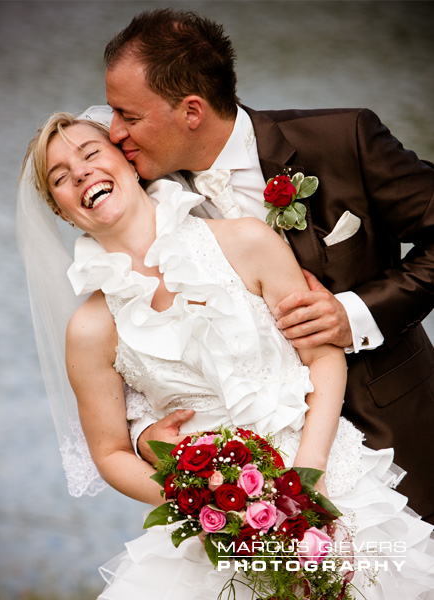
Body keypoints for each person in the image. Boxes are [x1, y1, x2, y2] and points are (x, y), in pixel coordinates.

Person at [18, 112, 434, 598]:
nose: (82, 173)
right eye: (61, 178)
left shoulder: (246, 242)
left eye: (91, 155)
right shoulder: (90, 328)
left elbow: (322, 357)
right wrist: (202, 505)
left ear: (130, 164)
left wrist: (309, 476)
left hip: (325, 470)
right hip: (214, 520)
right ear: (64, 212)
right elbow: (109, 452)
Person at [102, 8, 434, 522]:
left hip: (391, 433)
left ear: (191, 111)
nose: (113, 132)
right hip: (253, 480)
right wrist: (145, 434)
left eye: (128, 115)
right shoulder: (136, 200)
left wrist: (357, 315)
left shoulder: (344, 140)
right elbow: (131, 335)